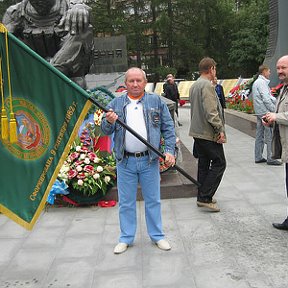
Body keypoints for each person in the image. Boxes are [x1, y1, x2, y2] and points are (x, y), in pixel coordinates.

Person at [101, 67, 176, 254]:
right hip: (125, 161)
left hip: (149, 160)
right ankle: (126, 237)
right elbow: (105, 130)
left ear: (145, 82)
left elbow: (168, 128)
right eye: (131, 81)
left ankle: (157, 235)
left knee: (153, 200)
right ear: (125, 83)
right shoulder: (116, 103)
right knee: (126, 202)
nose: (135, 84)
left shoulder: (155, 101)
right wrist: (109, 121)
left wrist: (169, 151)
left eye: (138, 81)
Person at [2, 0, 94, 88]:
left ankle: (51, 72)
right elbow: (5, 44)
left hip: (68, 73)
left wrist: (81, 9)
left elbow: (86, 13)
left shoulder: (71, 7)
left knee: (83, 28)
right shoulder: (15, 13)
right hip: (31, 71)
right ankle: (46, 74)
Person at [189, 57, 226, 212]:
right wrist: (220, 130)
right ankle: (205, 196)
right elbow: (211, 112)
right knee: (219, 163)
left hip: (197, 132)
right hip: (207, 133)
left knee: (204, 164)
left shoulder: (195, 85)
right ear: (211, 69)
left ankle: (201, 195)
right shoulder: (207, 86)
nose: (215, 72)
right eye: (214, 69)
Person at [263, 55, 288, 230]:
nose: (280, 71)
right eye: (278, 68)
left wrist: (276, 116)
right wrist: (272, 119)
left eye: (283, 68)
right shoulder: (284, 88)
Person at [252, 65, 281, 165]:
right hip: (265, 112)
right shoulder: (262, 83)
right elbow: (266, 99)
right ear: (264, 72)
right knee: (270, 135)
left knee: (259, 134)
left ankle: (258, 156)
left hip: (260, 111)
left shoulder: (257, 82)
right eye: (268, 71)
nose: (270, 73)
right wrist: (275, 110)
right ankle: (271, 157)